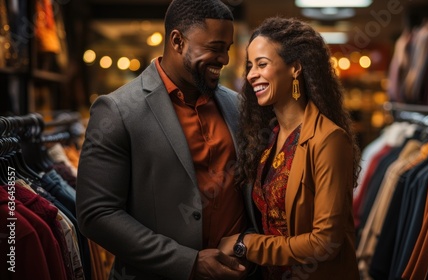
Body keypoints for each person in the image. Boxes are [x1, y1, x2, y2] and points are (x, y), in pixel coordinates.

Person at [76, 0, 249, 279]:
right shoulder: (118, 110)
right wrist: (188, 262)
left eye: (227, 49)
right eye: (215, 48)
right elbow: (96, 214)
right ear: (178, 41)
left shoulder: (237, 106)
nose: (225, 59)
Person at [219, 16, 361, 279]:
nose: (251, 75)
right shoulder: (267, 137)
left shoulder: (329, 140)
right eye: (250, 66)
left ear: (295, 68)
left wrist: (247, 244)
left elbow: (325, 242)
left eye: (262, 64)